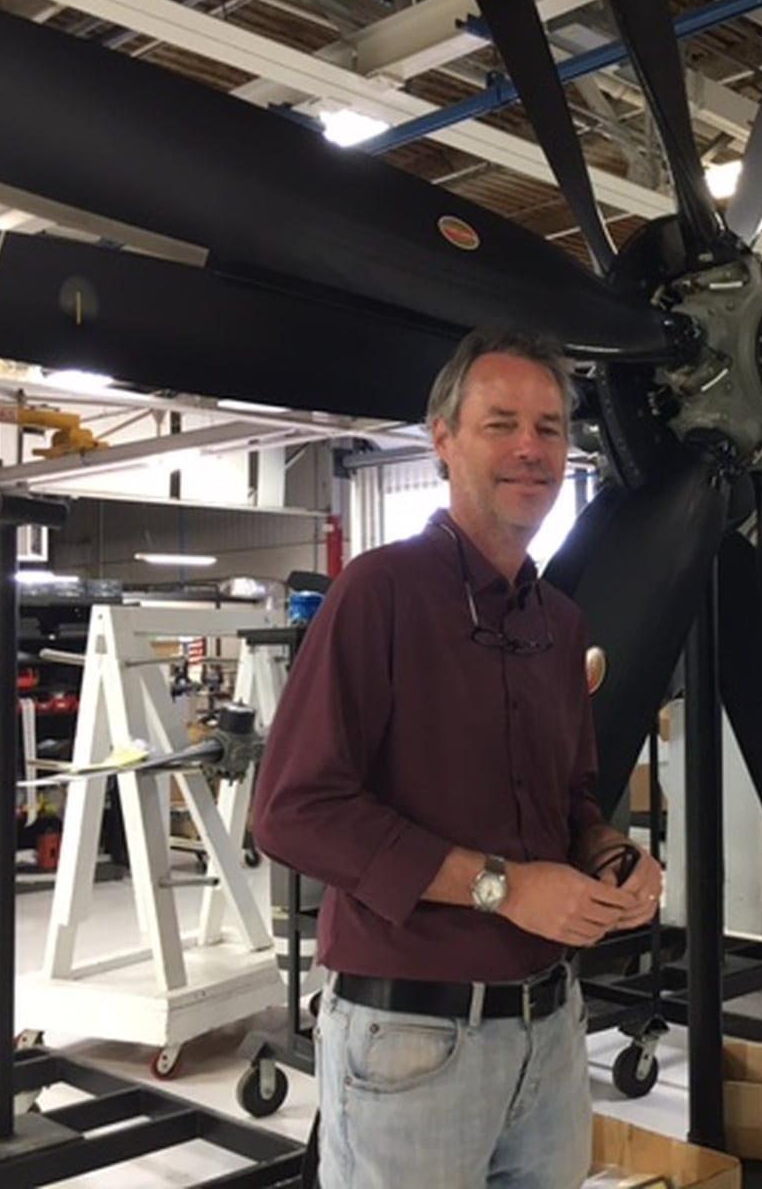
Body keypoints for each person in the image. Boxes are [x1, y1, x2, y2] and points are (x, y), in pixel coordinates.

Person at [254, 328, 663, 1189]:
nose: (530, 448)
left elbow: (572, 798)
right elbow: (294, 809)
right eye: (501, 424)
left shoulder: (560, 622)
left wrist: (607, 856)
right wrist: (505, 887)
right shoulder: (380, 592)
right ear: (442, 441)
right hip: (414, 1044)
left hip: (553, 1034)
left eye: (550, 428)